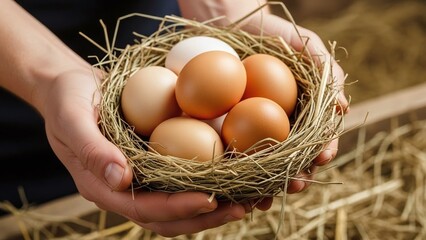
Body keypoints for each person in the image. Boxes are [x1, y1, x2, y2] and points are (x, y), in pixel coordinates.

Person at [0, 0, 349, 237]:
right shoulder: (173, 94)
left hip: (164, 30)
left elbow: (218, 94)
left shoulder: (202, 80)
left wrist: (227, 8)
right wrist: (46, 76)